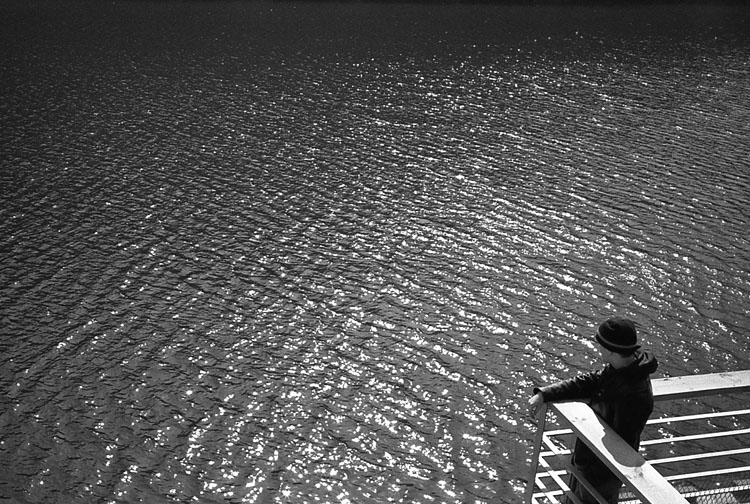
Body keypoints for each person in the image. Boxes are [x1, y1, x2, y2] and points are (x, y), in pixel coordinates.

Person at [527, 317, 658, 504]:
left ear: (611, 350)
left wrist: (591, 471)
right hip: (587, 463)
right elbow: (589, 382)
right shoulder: (623, 369)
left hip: (601, 476)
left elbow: (623, 441)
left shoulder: (634, 393)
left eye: (601, 344)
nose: (598, 347)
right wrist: (544, 394)